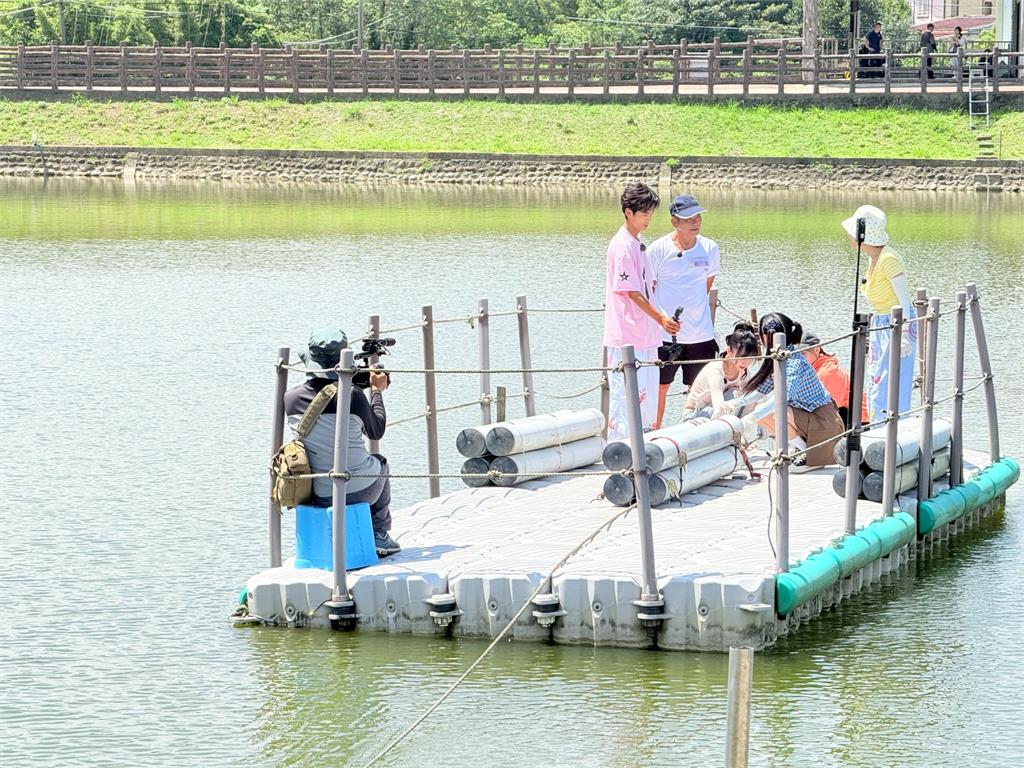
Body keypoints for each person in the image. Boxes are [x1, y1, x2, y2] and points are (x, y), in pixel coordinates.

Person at [283, 327, 401, 556]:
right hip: (362, 491)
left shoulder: (290, 398)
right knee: (381, 462)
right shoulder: (353, 395)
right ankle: (379, 533)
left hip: (316, 493)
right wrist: (376, 390)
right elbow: (376, 432)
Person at [603, 182, 680, 439]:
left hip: (645, 334)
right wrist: (661, 319)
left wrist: (659, 319)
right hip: (627, 336)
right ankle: (621, 452)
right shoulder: (622, 246)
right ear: (628, 212)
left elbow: (646, 288)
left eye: (651, 213)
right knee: (625, 402)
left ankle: (644, 449)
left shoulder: (638, 243)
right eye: (644, 213)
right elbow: (632, 292)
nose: (648, 218)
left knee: (645, 402)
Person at [647, 194, 721, 428]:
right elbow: (649, 291)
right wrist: (662, 319)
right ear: (674, 222)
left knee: (700, 390)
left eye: (697, 217)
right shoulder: (657, 250)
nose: (695, 222)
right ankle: (652, 435)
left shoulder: (710, 248)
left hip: (701, 335)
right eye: (688, 218)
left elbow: (706, 285)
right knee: (659, 387)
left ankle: (695, 435)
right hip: (665, 336)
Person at [841, 204, 916, 425]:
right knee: (876, 379)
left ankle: (894, 427)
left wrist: (903, 334)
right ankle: (878, 425)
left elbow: (904, 300)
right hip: (880, 323)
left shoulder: (888, 259)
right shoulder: (873, 259)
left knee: (891, 380)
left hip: (896, 323)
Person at [742, 313, 845, 471]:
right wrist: (736, 403)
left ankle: (806, 454)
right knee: (762, 413)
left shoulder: (793, 361)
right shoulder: (781, 357)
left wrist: (751, 417)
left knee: (774, 412)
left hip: (825, 423)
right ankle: (800, 448)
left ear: (766, 336)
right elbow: (762, 390)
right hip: (812, 418)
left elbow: (783, 397)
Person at [681, 321, 758, 420]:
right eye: (742, 356)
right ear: (729, 351)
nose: (746, 362)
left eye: (751, 357)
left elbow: (749, 399)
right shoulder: (716, 371)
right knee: (734, 395)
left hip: (713, 410)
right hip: (693, 415)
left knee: (751, 397)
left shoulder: (743, 371)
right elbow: (719, 407)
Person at [801, 331, 869, 426]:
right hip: (842, 414)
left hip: (860, 420)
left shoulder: (827, 372)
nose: (798, 359)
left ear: (817, 350)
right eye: (795, 355)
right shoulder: (813, 368)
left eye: (803, 354)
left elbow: (824, 409)